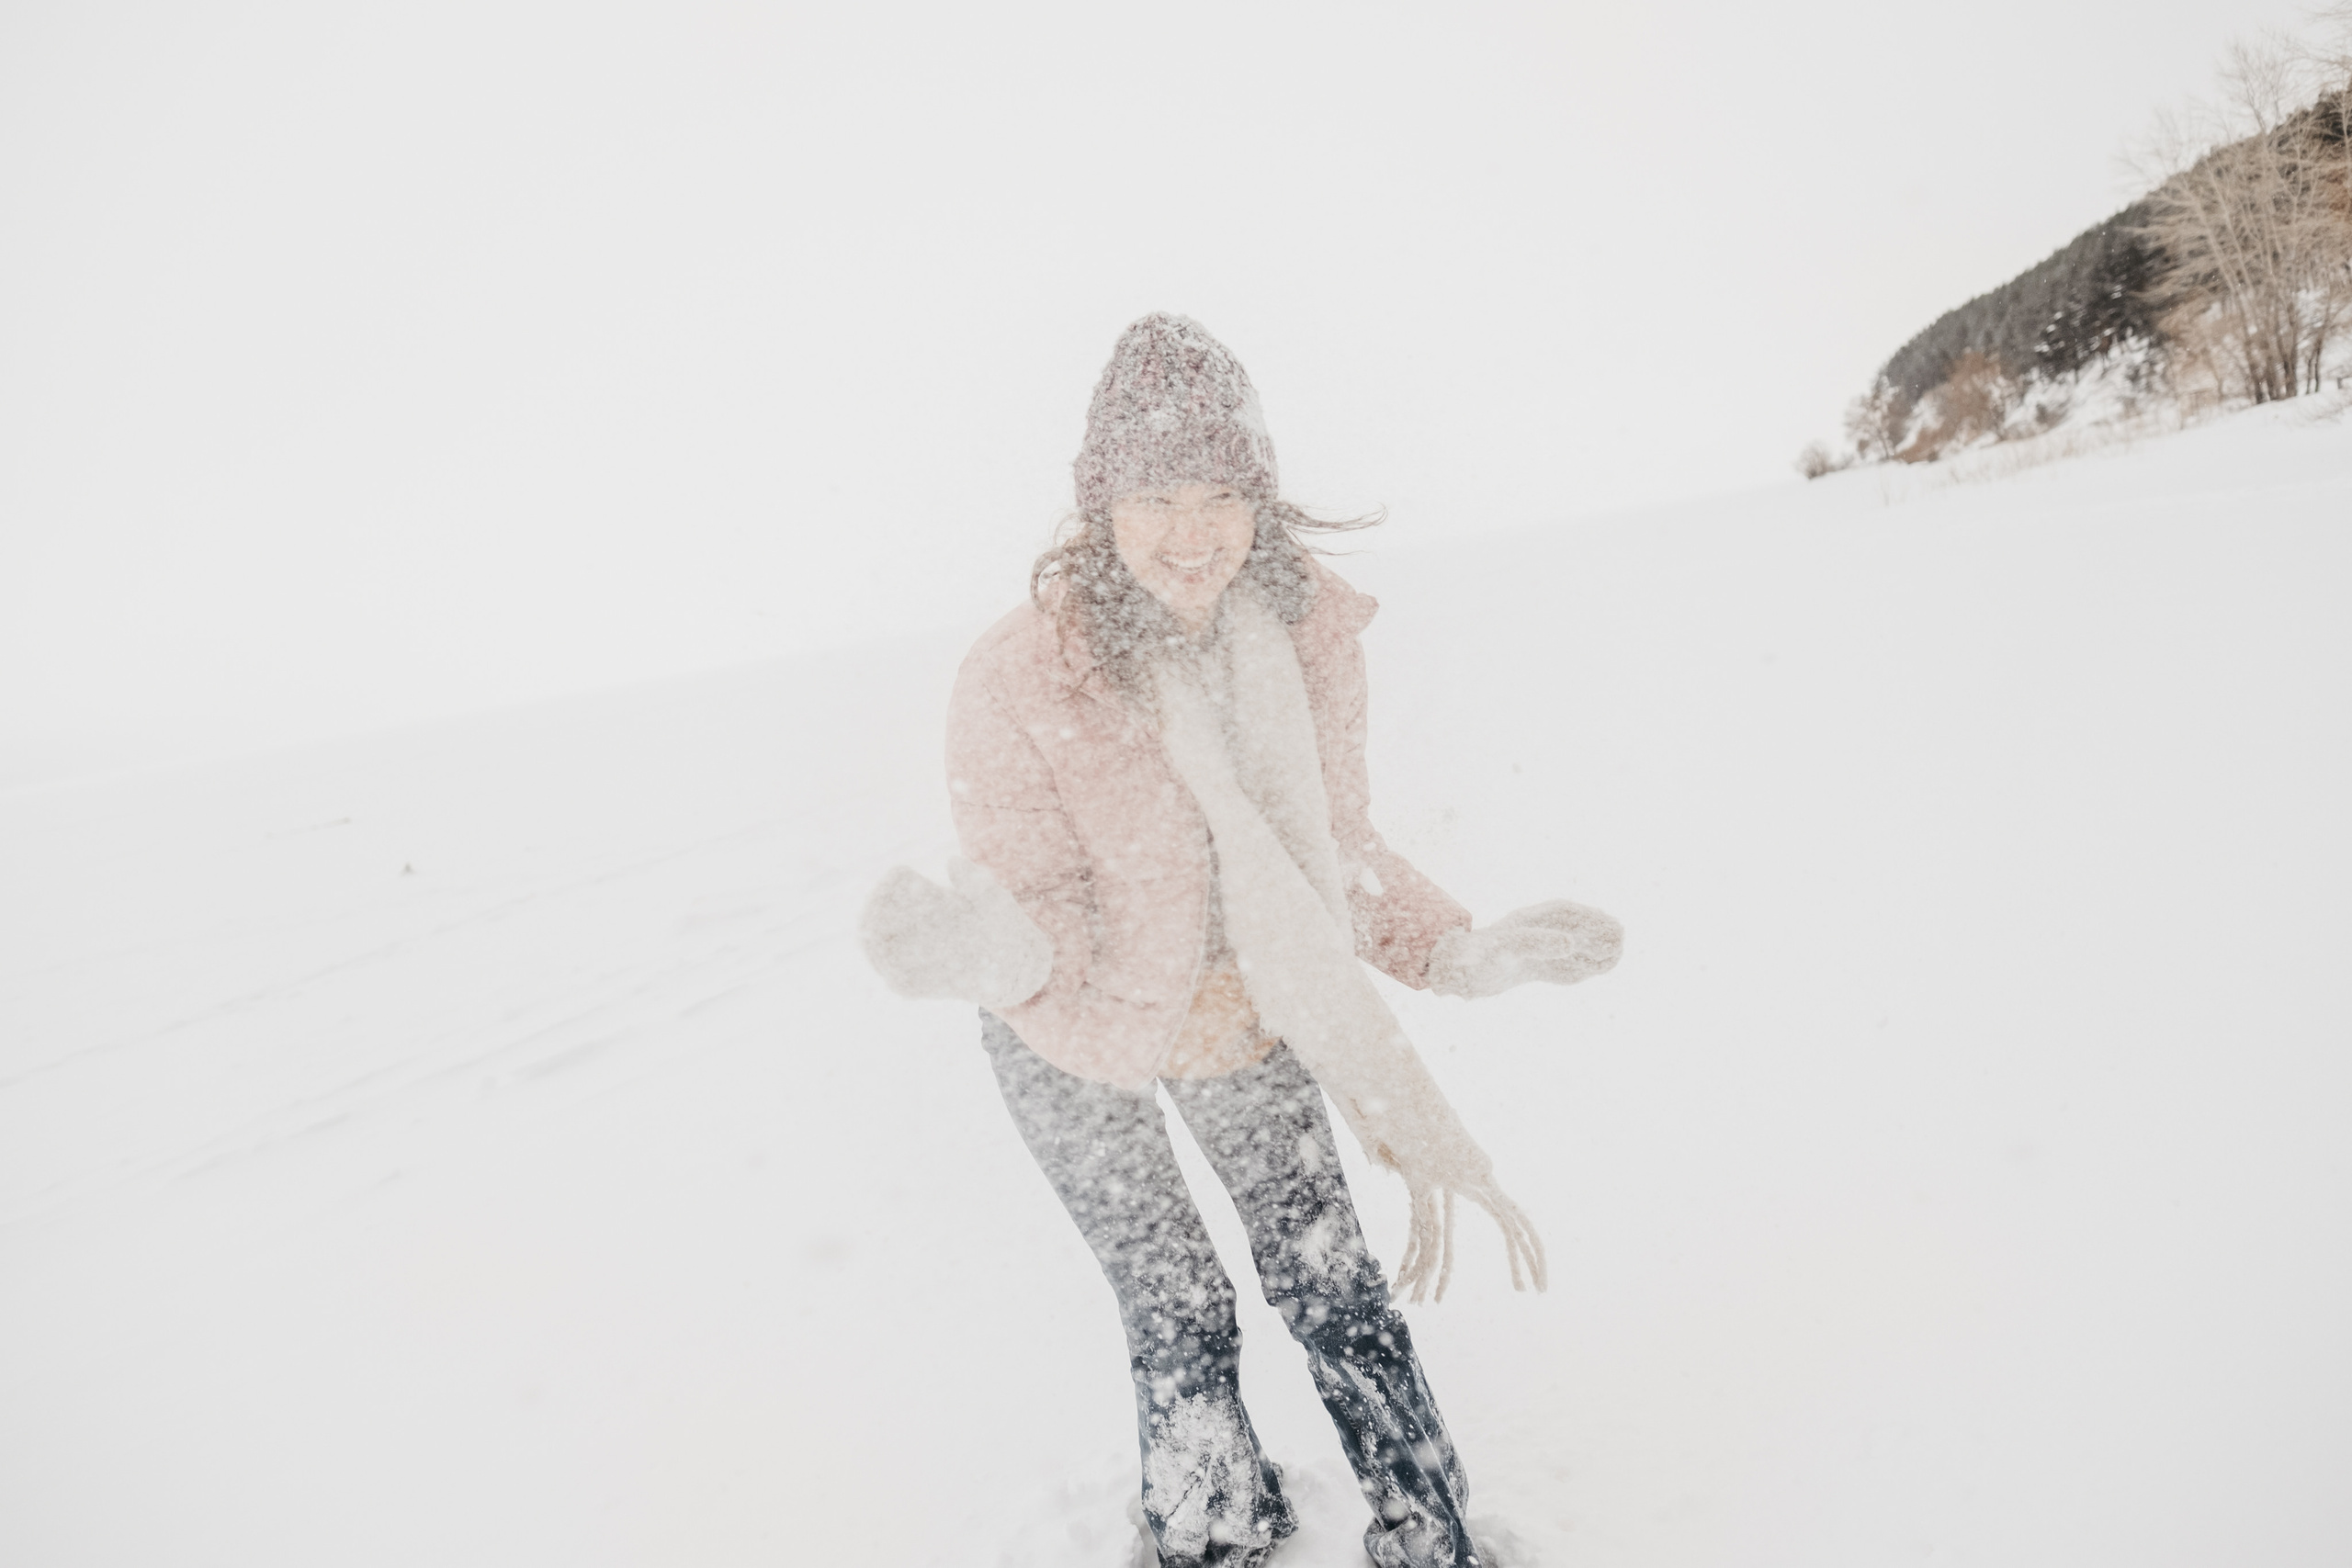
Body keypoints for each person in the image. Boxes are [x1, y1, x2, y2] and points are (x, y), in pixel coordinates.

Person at [861, 314, 1621, 1568]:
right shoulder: (1020, 676)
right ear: (1100, 507)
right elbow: (1041, 896)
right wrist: (1004, 958)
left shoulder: (1304, 638)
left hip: (1244, 1005)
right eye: (1157, 496)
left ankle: (1432, 1539)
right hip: (1063, 1035)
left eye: (1221, 494)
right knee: (1179, 1305)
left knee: (1333, 1279)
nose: (1194, 532)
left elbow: (1336, 848)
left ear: (1262, 499)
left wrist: (1456, 951)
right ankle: (1213, 1533)